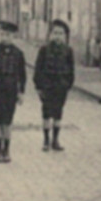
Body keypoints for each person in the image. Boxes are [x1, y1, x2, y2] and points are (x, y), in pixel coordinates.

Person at [0, 21, 28, 163]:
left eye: (8, 35)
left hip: (11, 91)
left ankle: (6, 150)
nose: (5, 37)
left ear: (13, 36)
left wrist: (21, 92)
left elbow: (22, 75)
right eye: (3, 34)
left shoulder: (18, 53)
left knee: (8, 121)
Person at [33, 19, 76, 152]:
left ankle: (55, 140)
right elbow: (38, 69)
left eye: (61, 33)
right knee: (46, 113)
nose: (58, 36)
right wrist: (39, 87)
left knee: (58, 113)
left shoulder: (68, 51)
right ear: (50, 34)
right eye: (55, 33)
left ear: (65, 36)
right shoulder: (44, 50)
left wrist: (67, 85)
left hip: (61, 87)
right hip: (47, 86)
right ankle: (46, 140)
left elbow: (71, 70)